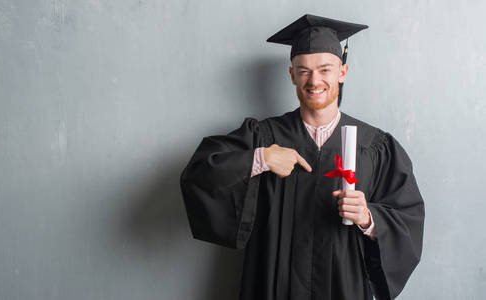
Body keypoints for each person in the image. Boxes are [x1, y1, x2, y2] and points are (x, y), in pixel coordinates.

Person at [179, 14, 425, 300]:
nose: (314, 80)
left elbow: (409, 220)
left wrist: (369, 219)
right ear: (292, 74)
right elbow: (198, 175)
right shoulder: (262, 136)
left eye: (325, 69)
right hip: (273, 286)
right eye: (304, 70)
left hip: (342, 288)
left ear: (342, 72)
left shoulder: (376, 146)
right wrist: (260, 159)